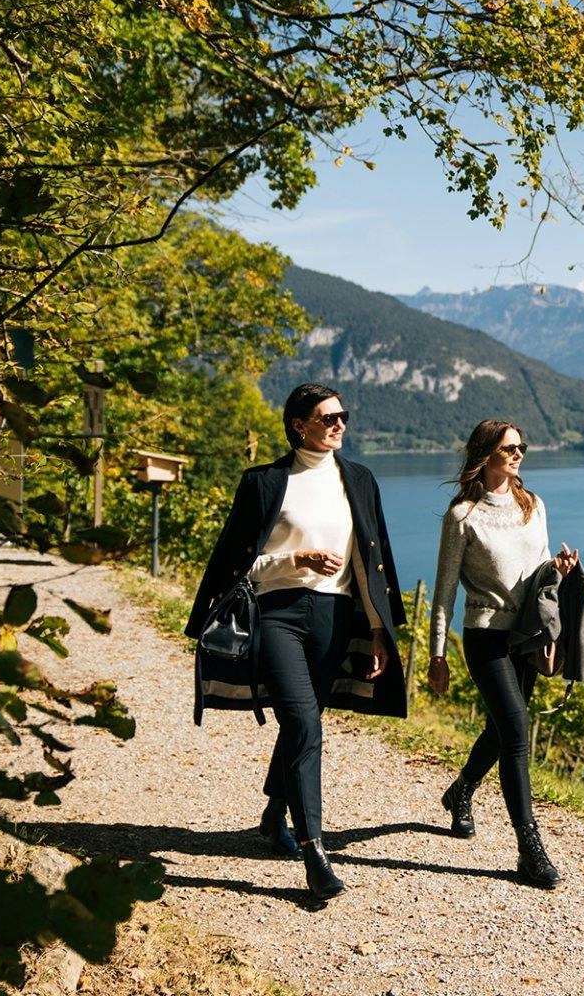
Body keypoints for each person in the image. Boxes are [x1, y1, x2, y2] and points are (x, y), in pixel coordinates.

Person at [185, 383, 408, 902]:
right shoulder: (264, 482)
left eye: (343, 415)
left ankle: (272, 814)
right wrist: (296, 560)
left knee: (305, 719)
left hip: (334, 615)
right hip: (276, 614)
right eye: (327, 417)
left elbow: (368, 564)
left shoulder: (359, 479)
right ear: (298, 425)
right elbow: (235, 566)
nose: (338, 424)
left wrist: (378, 629)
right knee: (303, 722)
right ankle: (314, 851)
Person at [428, 419, 579, 890]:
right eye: (509, 448)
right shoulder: (463, 517)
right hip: (486, 638)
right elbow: (444, 592)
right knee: (516, 730)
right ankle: (528, 848)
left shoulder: (533, 505)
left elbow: (536, 572)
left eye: (522, 448)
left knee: (499, 729)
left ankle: (461, 792)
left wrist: (558, 569)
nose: (518, 455)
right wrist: (437, 655)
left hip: (526, 636)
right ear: (485, 455)